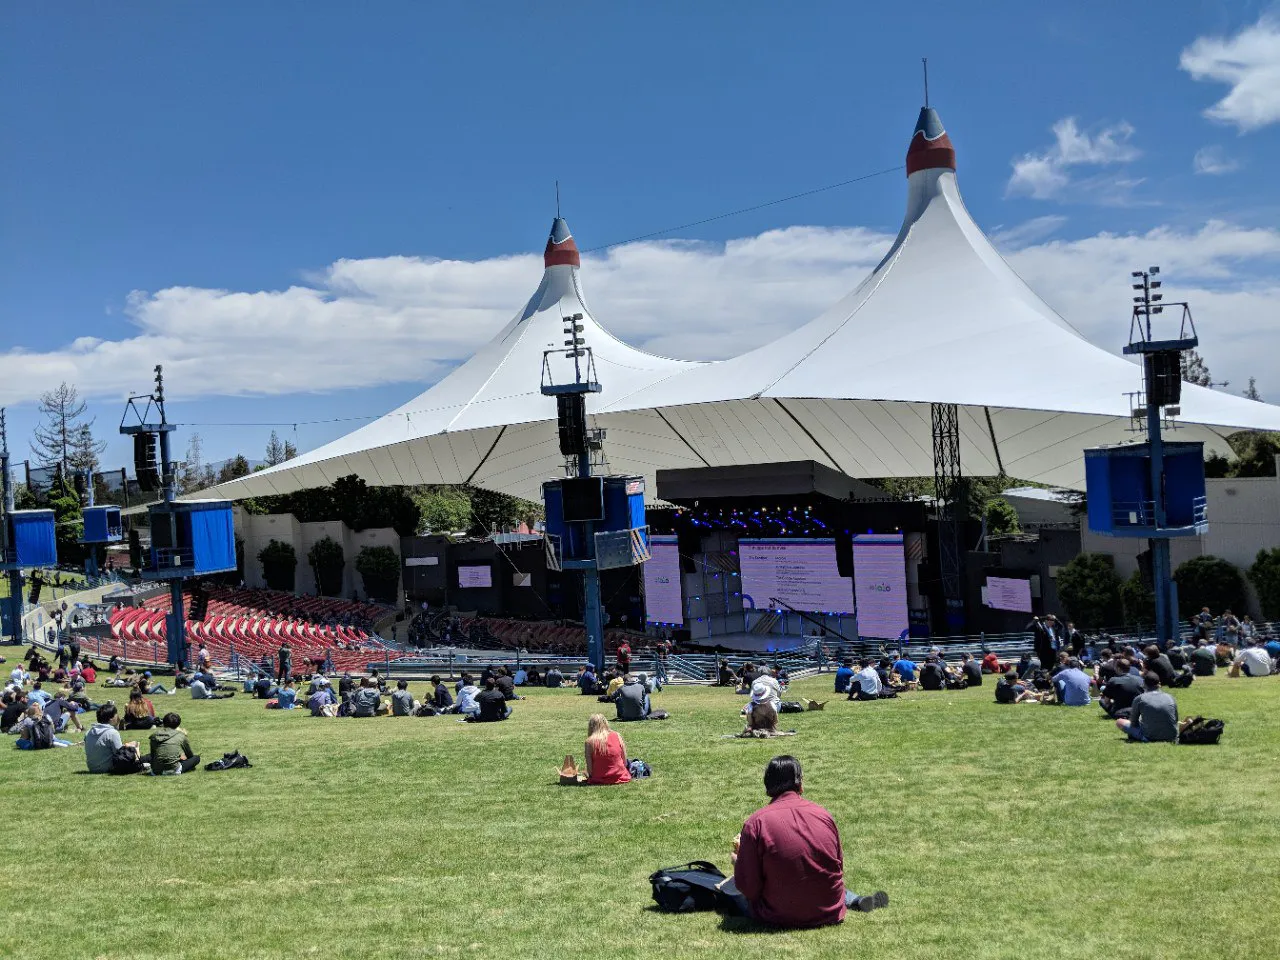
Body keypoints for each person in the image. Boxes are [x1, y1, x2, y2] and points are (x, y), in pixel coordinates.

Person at [722, 756, 888, 926]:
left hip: (778, 914)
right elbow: (837, 869)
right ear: (799, 783)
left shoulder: (756, 823)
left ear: (767, 784)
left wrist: (738, 863)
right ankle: (855, 900)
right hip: (829, 910)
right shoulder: (824, 815)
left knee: (729, 890)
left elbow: (750, 888)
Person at [84, 703, 146, 774]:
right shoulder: (112, 733)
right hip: (108, 768)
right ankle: (141, 764)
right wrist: (134, 748)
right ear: (111, 718)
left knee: (131, 746)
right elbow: (120, 756)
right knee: (143, 754)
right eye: (116, 714)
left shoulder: (89, 732)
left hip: (92, 768)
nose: (118, 716)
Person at [1116, 673, 1178, 742]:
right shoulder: (1170, 697)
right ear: (1159, 684)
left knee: (1120, 722)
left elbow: (1133, 723)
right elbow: (1175, 720)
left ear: (1144, 684)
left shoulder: (1140, 698)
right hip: (1172, 736)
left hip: (1149, 737)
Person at [582, 713, 631, 784]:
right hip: (620, 776)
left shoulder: (589, 742)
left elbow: (590, 770)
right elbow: (624, 762)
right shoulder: (617, 735)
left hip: (599, 778)